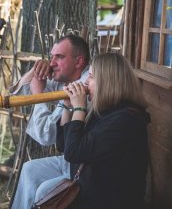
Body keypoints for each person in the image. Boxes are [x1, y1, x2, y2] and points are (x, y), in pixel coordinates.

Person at [13, 52, 149, 209]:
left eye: (90, 77)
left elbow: (73, 152)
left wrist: (79, 107)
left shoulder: (126, 119)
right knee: (35, 175)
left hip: (109, 198)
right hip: (92, 183)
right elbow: (64, 145)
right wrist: (67, 106)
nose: (86, 83)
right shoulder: (106, 110)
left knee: (45, 192)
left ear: (107, 81)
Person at [10, 34, 90, 208]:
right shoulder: (68, 78)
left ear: (79, 62)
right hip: (72, 161)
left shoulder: (82, 86)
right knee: (30, 169)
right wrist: (36, 70)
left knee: (43, 189)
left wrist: (39, 97)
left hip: (85, 167)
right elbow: (20, 93)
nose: (52, 63)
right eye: (51, 56)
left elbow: (45, 135)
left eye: (59, 57)